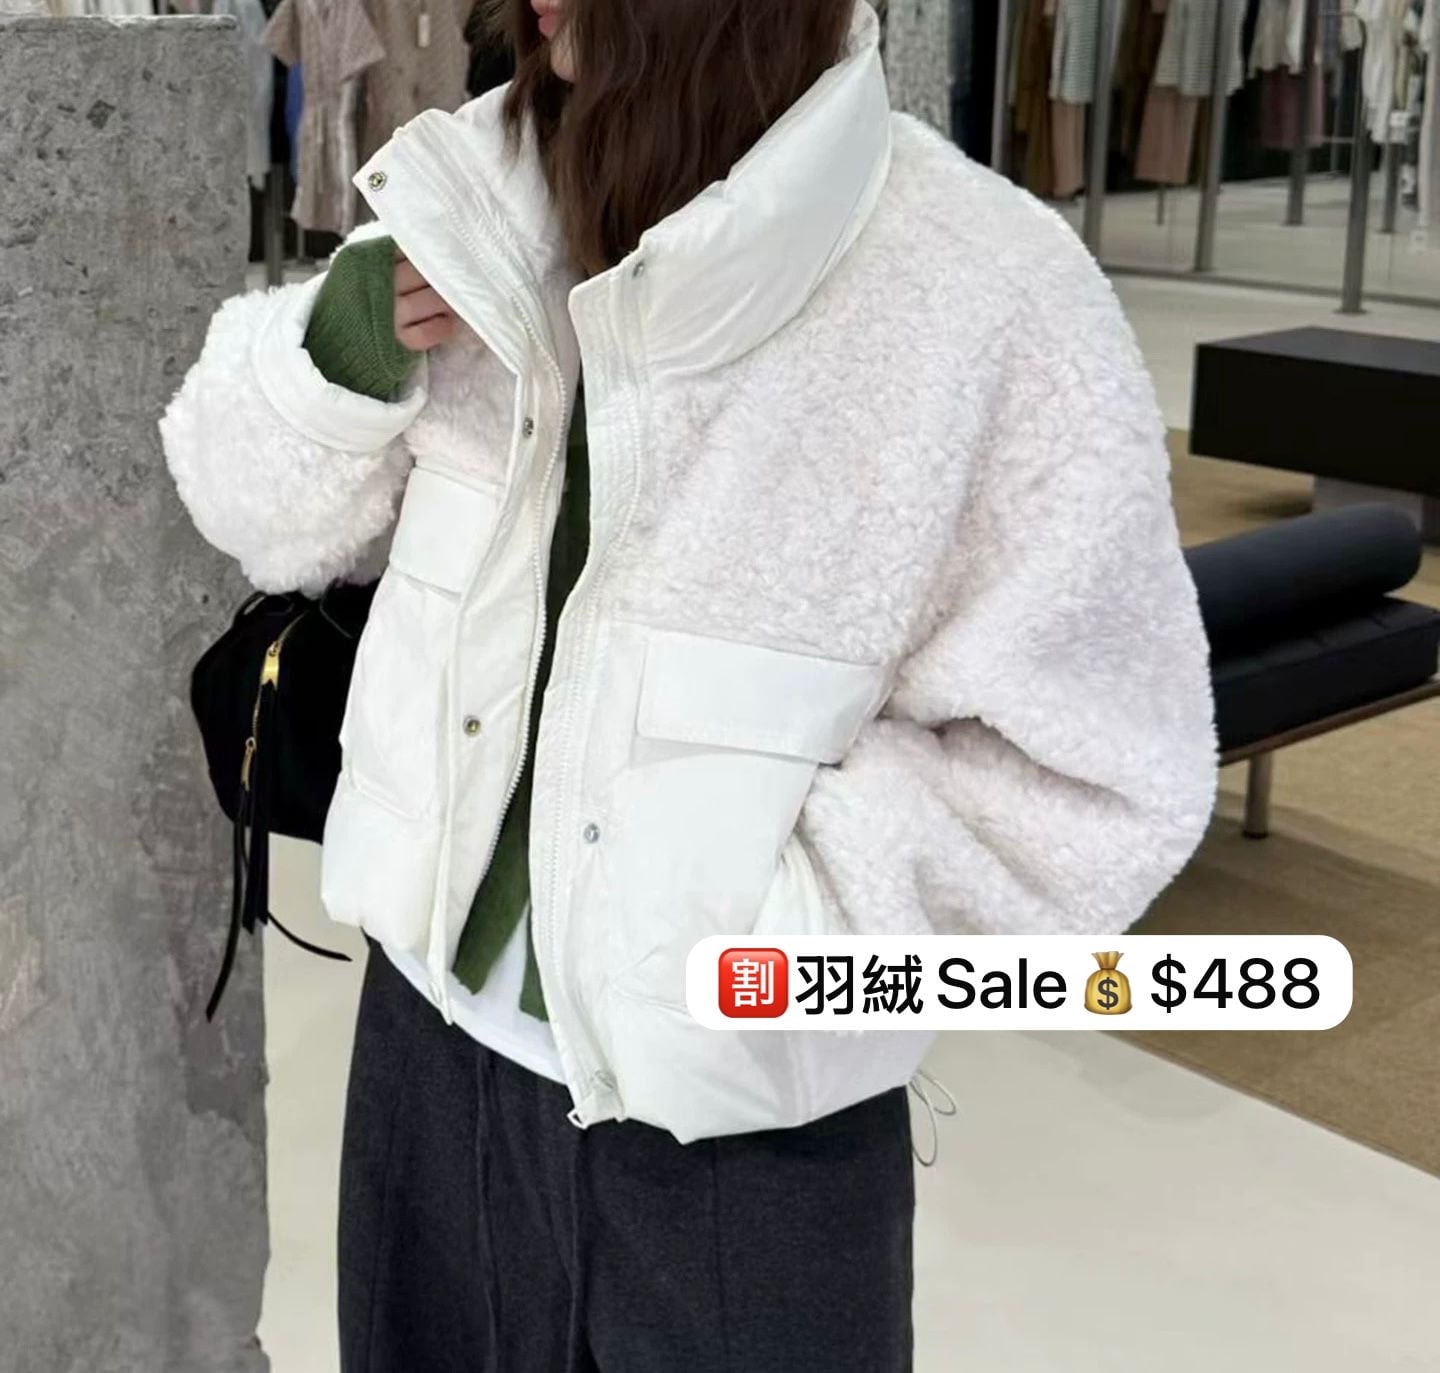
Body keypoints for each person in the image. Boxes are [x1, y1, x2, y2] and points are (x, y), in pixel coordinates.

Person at [160, 0, 1218, 1365]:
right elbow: (244, 508)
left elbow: (1099, 780)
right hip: (426, 1065)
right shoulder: (476, 200)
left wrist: (760, 945)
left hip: (746, 1144)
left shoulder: (982, 292)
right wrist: (334, 351)